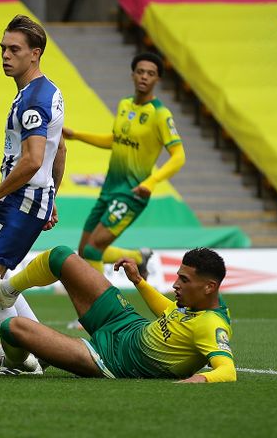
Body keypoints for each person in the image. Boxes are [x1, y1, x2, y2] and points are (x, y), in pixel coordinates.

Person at [0, 14, 67, 373]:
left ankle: (24, 359)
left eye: (14, 49)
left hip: (21, 199)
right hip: (34, 198)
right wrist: (53, 197)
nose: (5, 55)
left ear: (35, 53)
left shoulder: (32, 99)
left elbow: (34, 160)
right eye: (3, 48)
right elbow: (60, 148)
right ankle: (39, 352)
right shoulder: (47, 90)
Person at [0, 245, 236, 382]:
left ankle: (20, 363)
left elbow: (227, 370)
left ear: (210, 286)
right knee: (61, 256)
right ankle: (7, 289)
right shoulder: (199, 303)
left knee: (13, 328)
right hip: (126, 323)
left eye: (184, 281)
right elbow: (167, 310)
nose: (175, 284)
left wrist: (201, 378)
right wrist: (139, 281)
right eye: (178, 276)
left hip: (109, 359)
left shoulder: (211, 325)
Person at [63, 52, 185, 278]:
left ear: (157, 80)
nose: (144, 77)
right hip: (110, 188)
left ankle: (98, 311)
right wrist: (77, 135)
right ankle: (139, 257)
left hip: (133, 192)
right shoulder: (124, 105)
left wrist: (151, 182)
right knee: (83, 251)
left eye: (151, 74)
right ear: (132, 75)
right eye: (140, 72)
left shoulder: (160, 114)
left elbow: (179, 155)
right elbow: (115, 140)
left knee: (92, 249)